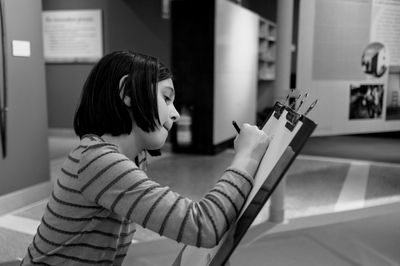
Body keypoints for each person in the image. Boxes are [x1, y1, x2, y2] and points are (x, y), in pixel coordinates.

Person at [21, 50, 270, 265]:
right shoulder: (100, 161)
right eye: (166, 97)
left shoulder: (126, 157)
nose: (175, 114)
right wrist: (246, 156)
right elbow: (204, 226)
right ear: (127, 92)